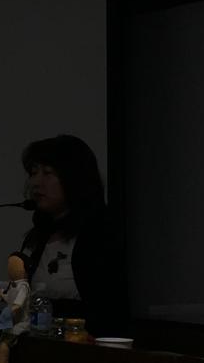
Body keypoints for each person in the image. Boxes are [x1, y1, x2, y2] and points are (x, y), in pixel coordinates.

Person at [19, 134, 129, 338]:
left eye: (47, 173)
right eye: (33, 173)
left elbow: (107, 312)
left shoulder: (101, 235)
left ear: (75, 179)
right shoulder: (37, 238)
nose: (36, 182)